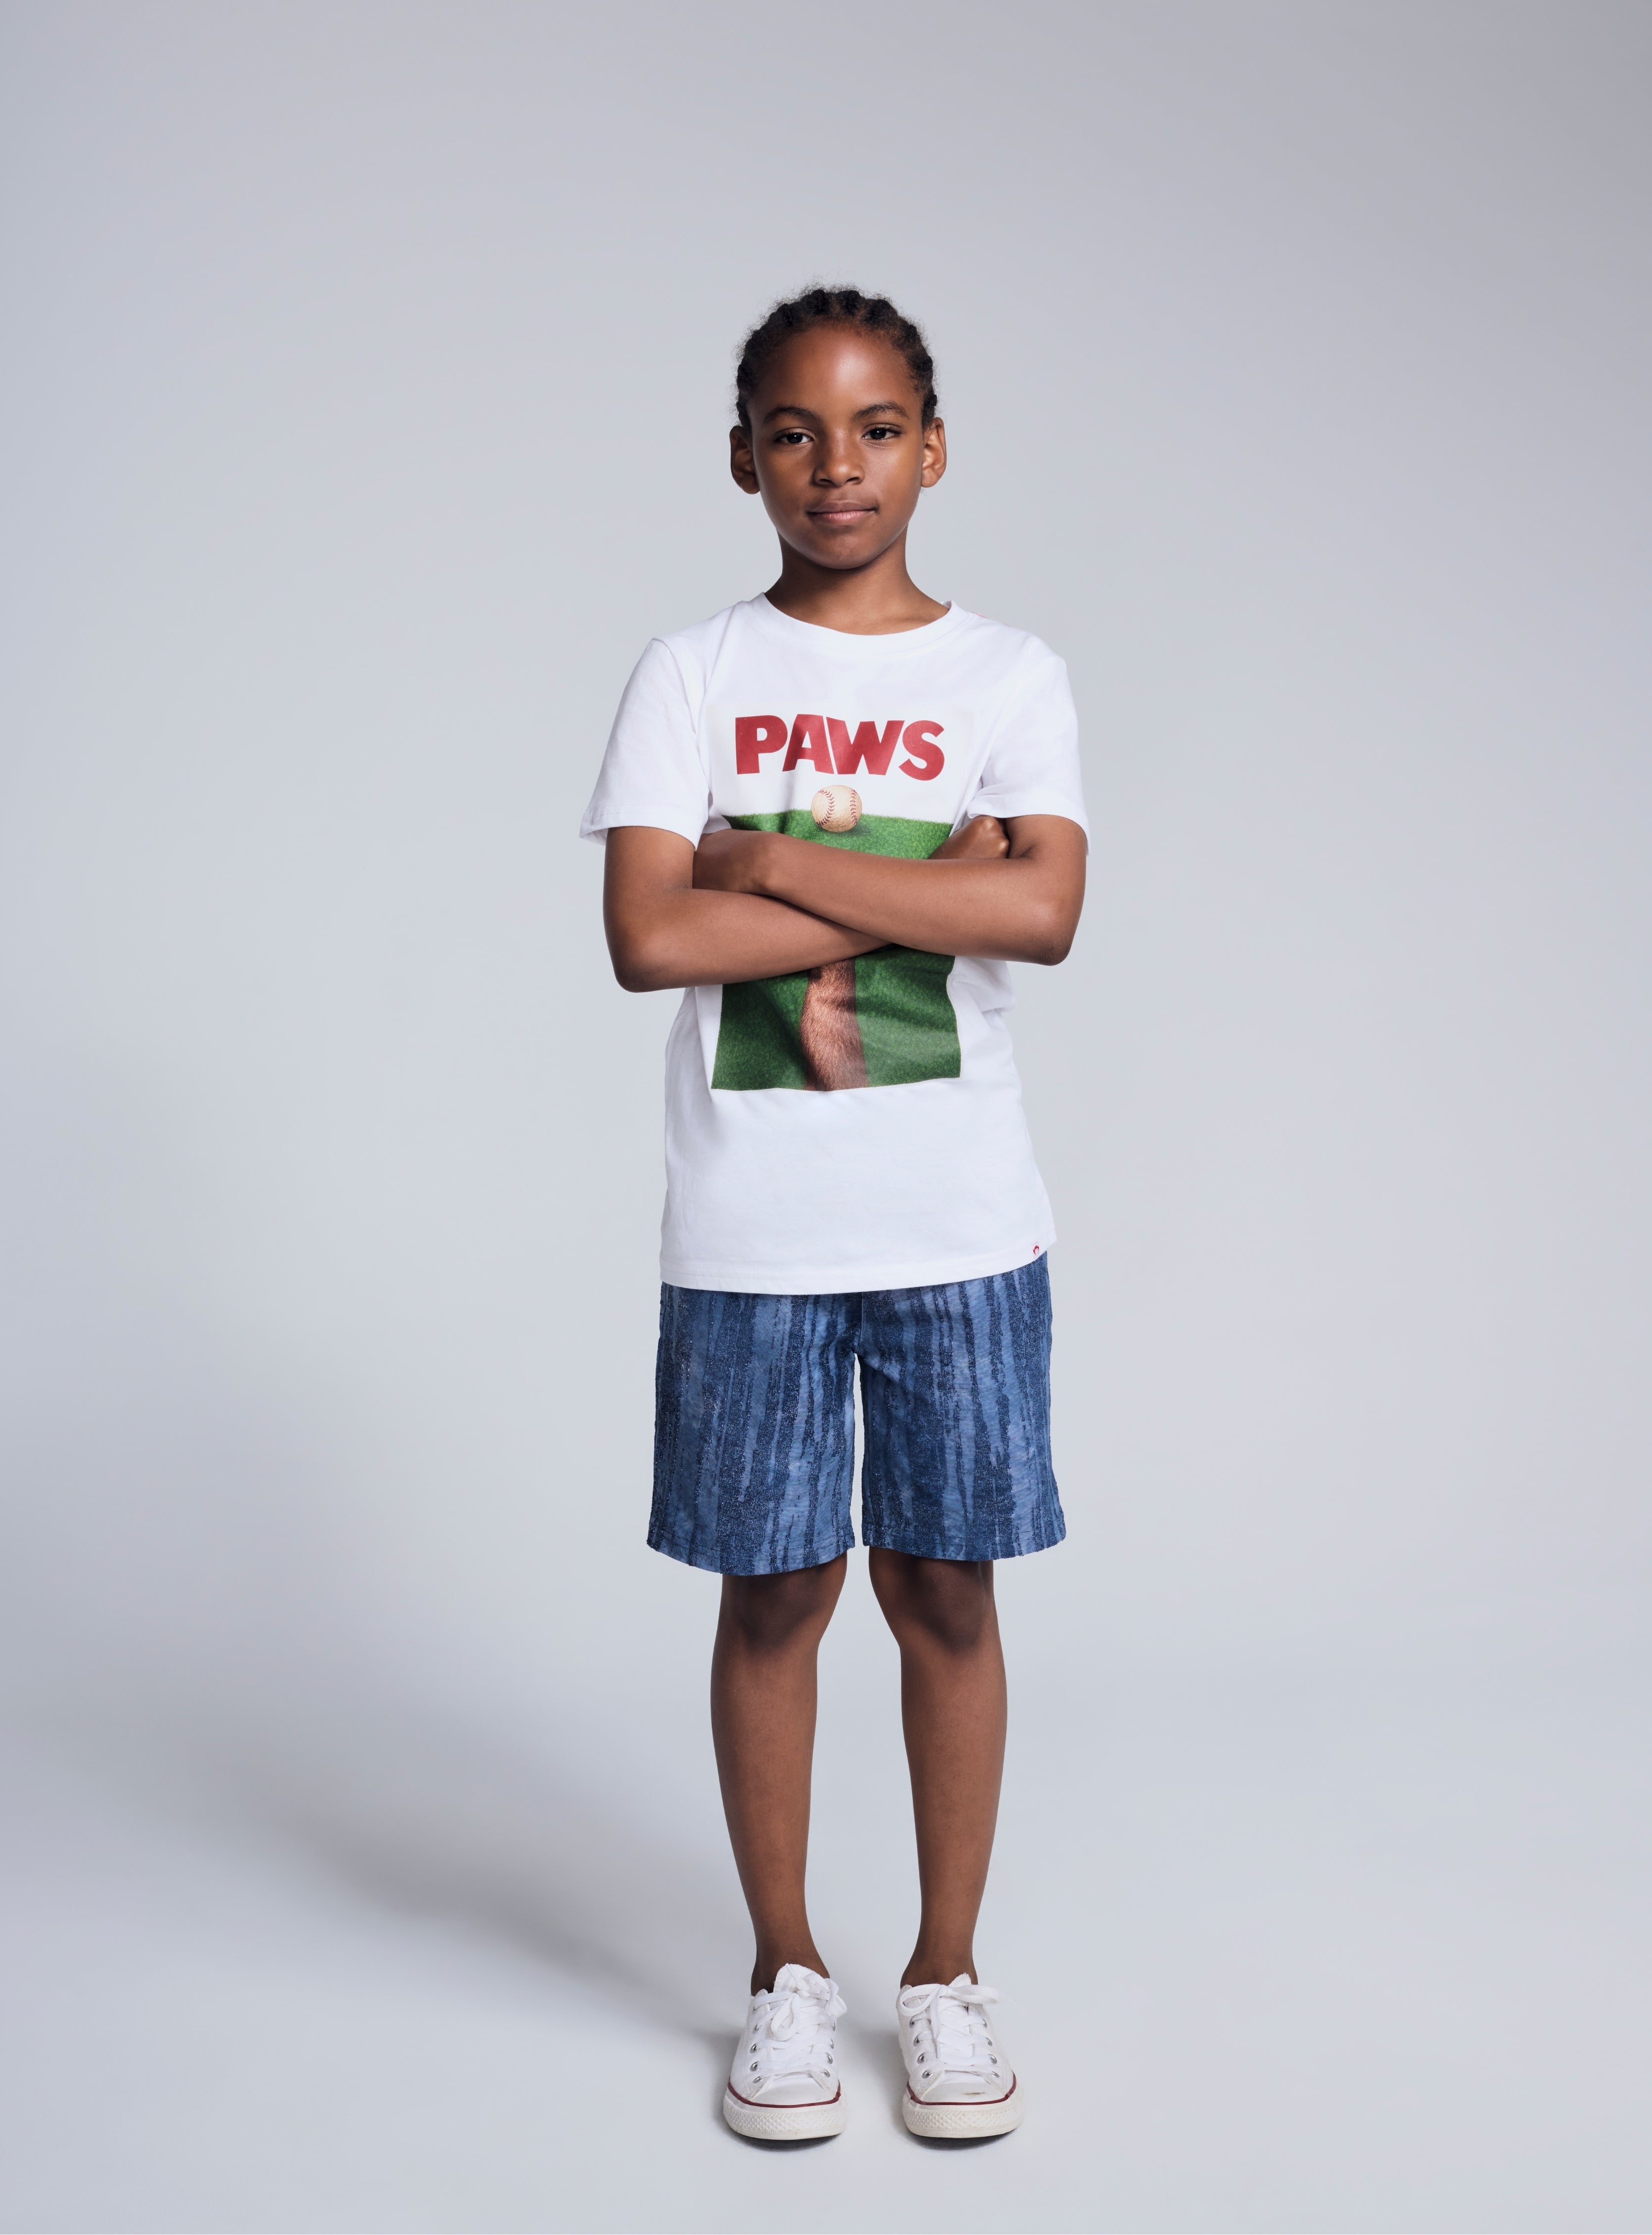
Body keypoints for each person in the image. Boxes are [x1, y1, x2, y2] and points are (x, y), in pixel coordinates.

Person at [580, 286, 1088, 2142]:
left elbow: (1041, 913)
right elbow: (653, 938)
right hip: (754, 1231)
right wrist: (922, 877)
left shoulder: (1009, 677)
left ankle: (944, 1973)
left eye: (877, 428)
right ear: (744, 459)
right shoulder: (692, 673)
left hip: (959, 1222)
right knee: (776, 1589)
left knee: (944, 1585)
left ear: (933, 448)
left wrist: (776, 855)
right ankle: (785, 1974)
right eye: (794, 431)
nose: (837, 464)